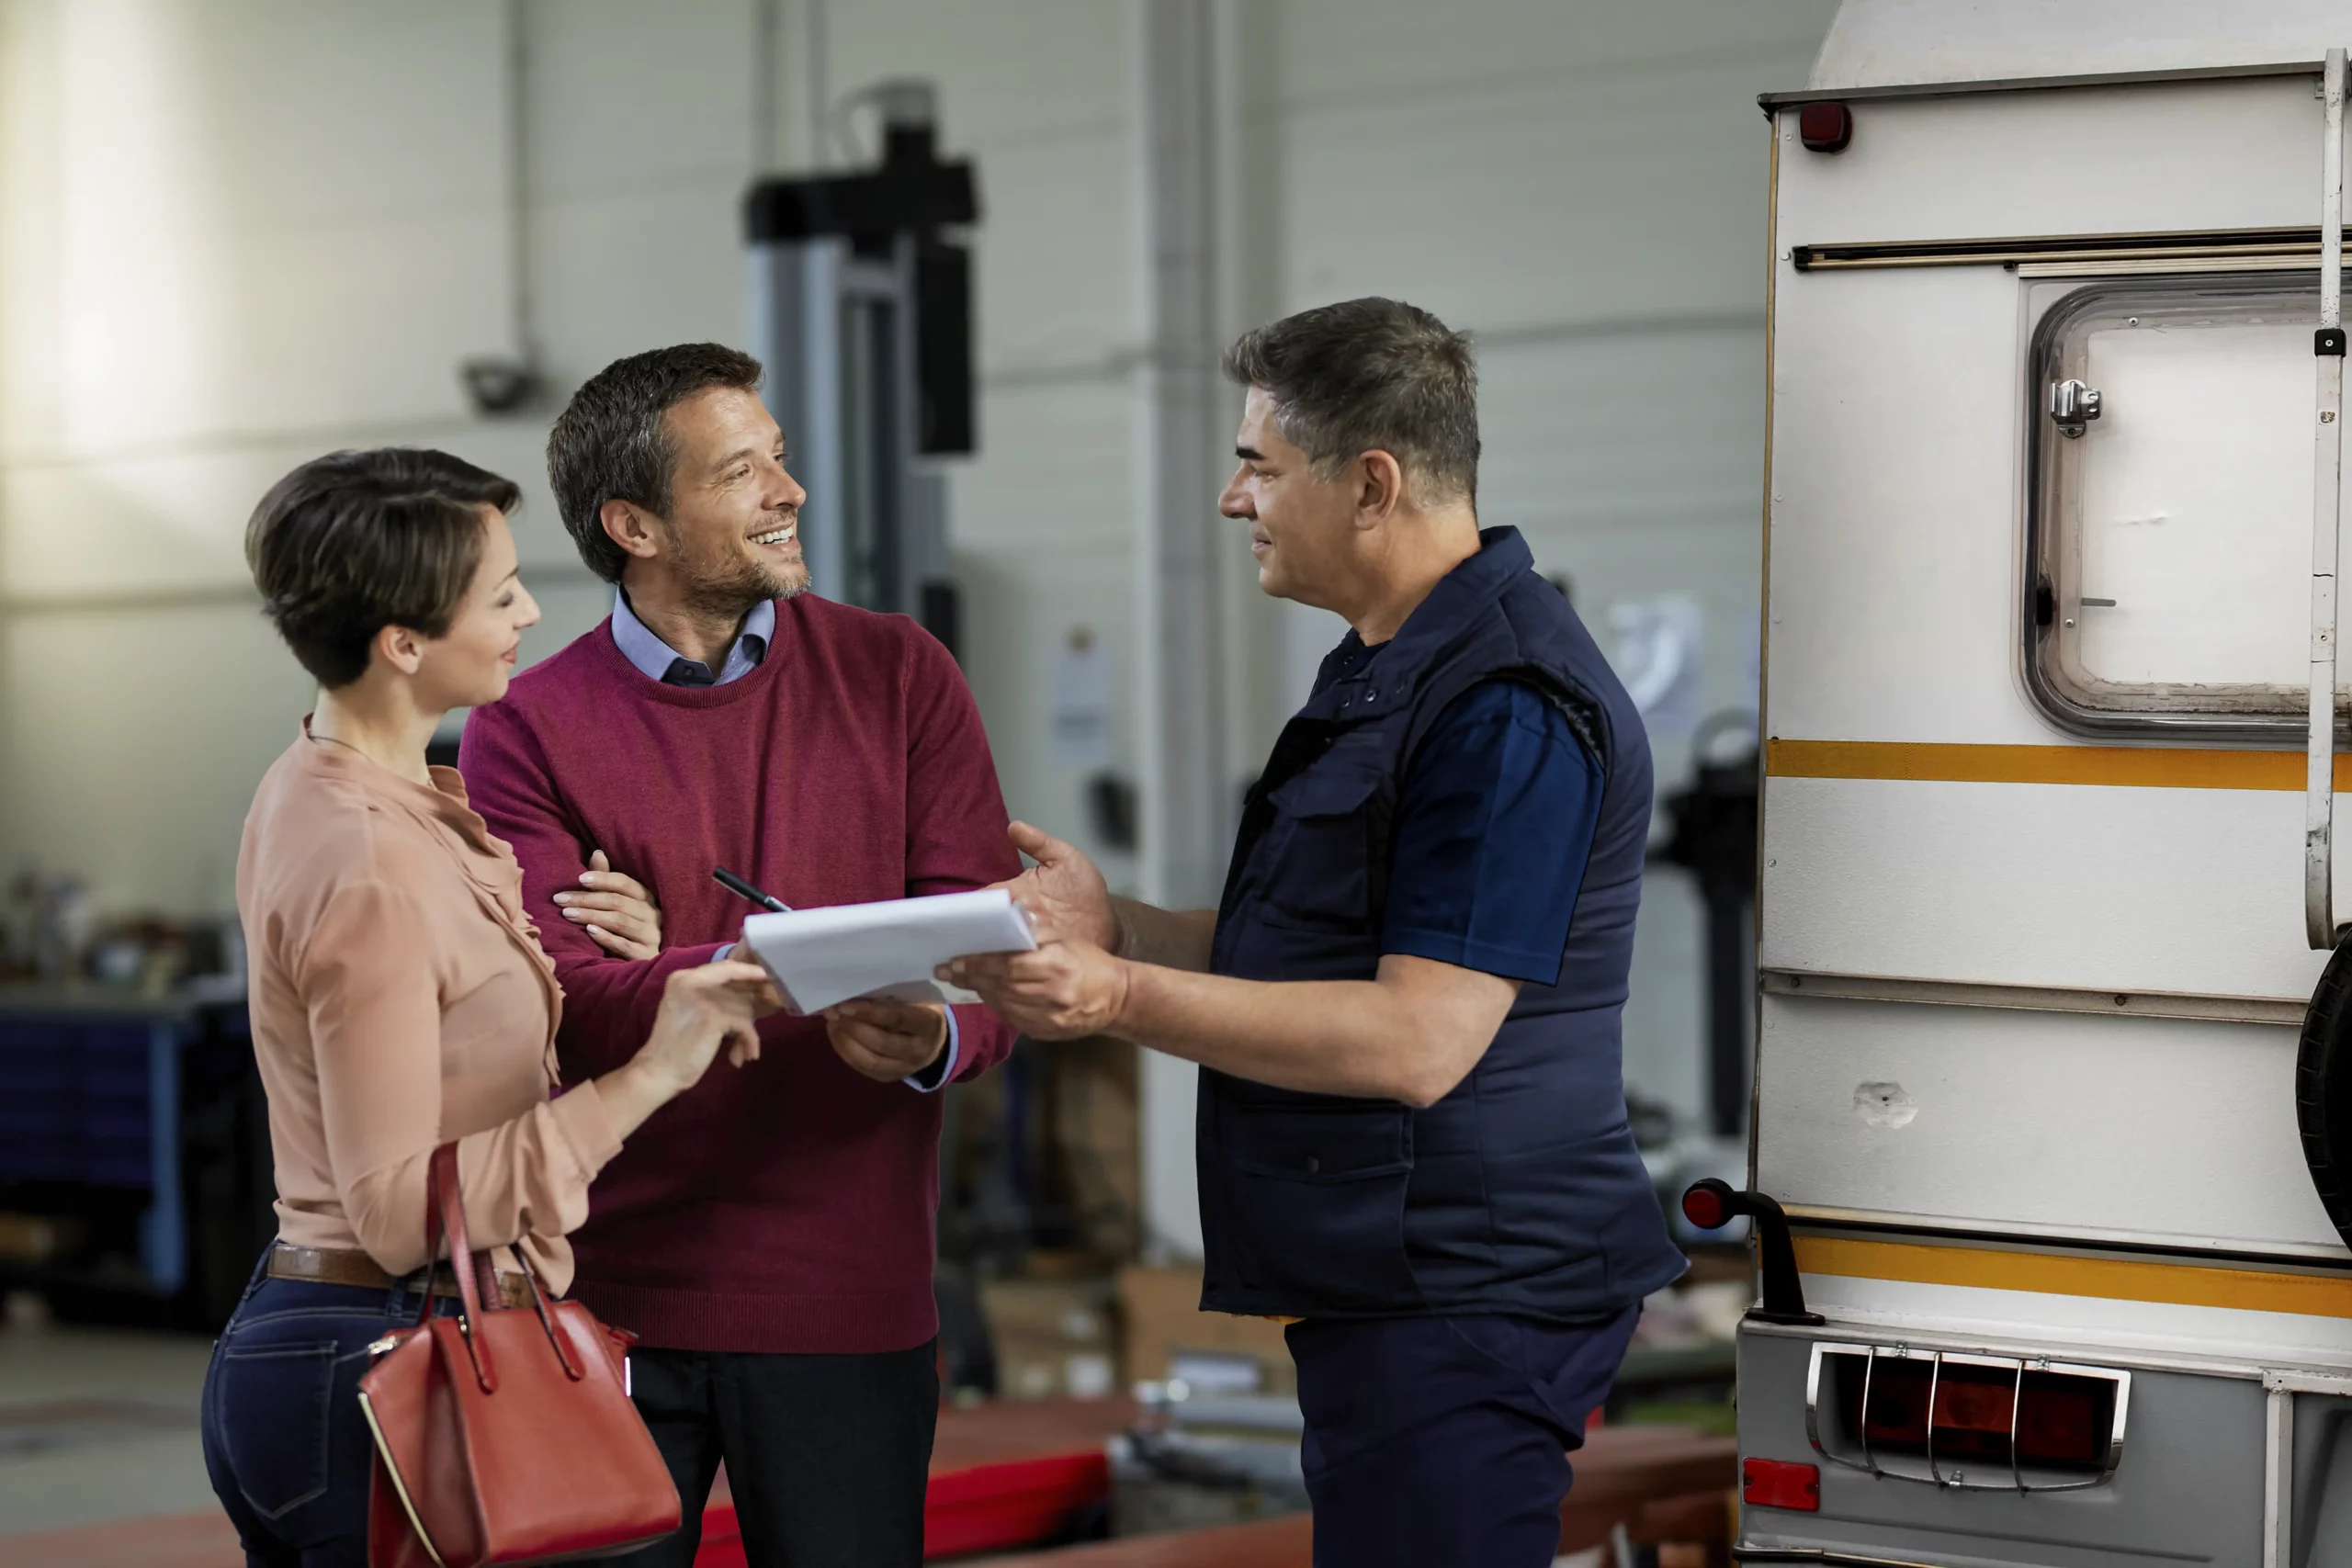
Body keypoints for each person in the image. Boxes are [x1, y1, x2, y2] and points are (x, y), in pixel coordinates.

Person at [944, 299, 1687, 1568]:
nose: (1237, 502)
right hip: (1398, 1282)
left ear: (1372, 483)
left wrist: (1114, 994)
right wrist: (1111, 920)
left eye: (1259, 466)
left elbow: (1417, 1036)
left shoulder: (1503, 704)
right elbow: (1308, 946)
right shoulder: (1391, 664)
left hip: (1468, 1289)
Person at [457, 344, 1020, 1568]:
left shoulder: (900, 673)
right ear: (634, 523)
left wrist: (933, 1033)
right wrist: (753, 962)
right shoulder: (520, 728)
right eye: (742, 469)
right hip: (603, 1302)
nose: (790, 490)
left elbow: (988, 955)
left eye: (780, 456)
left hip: (848, 1297)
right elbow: (567, 1011)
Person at [200, 448, 775, 1568]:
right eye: (498, 593)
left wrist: (628, 952)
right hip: (376, 1357)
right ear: (402, 644)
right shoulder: (368, 854)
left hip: (362, 1344)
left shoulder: (362, 787)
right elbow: (398, 1211)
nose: (526, 612)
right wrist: (652, 1072)